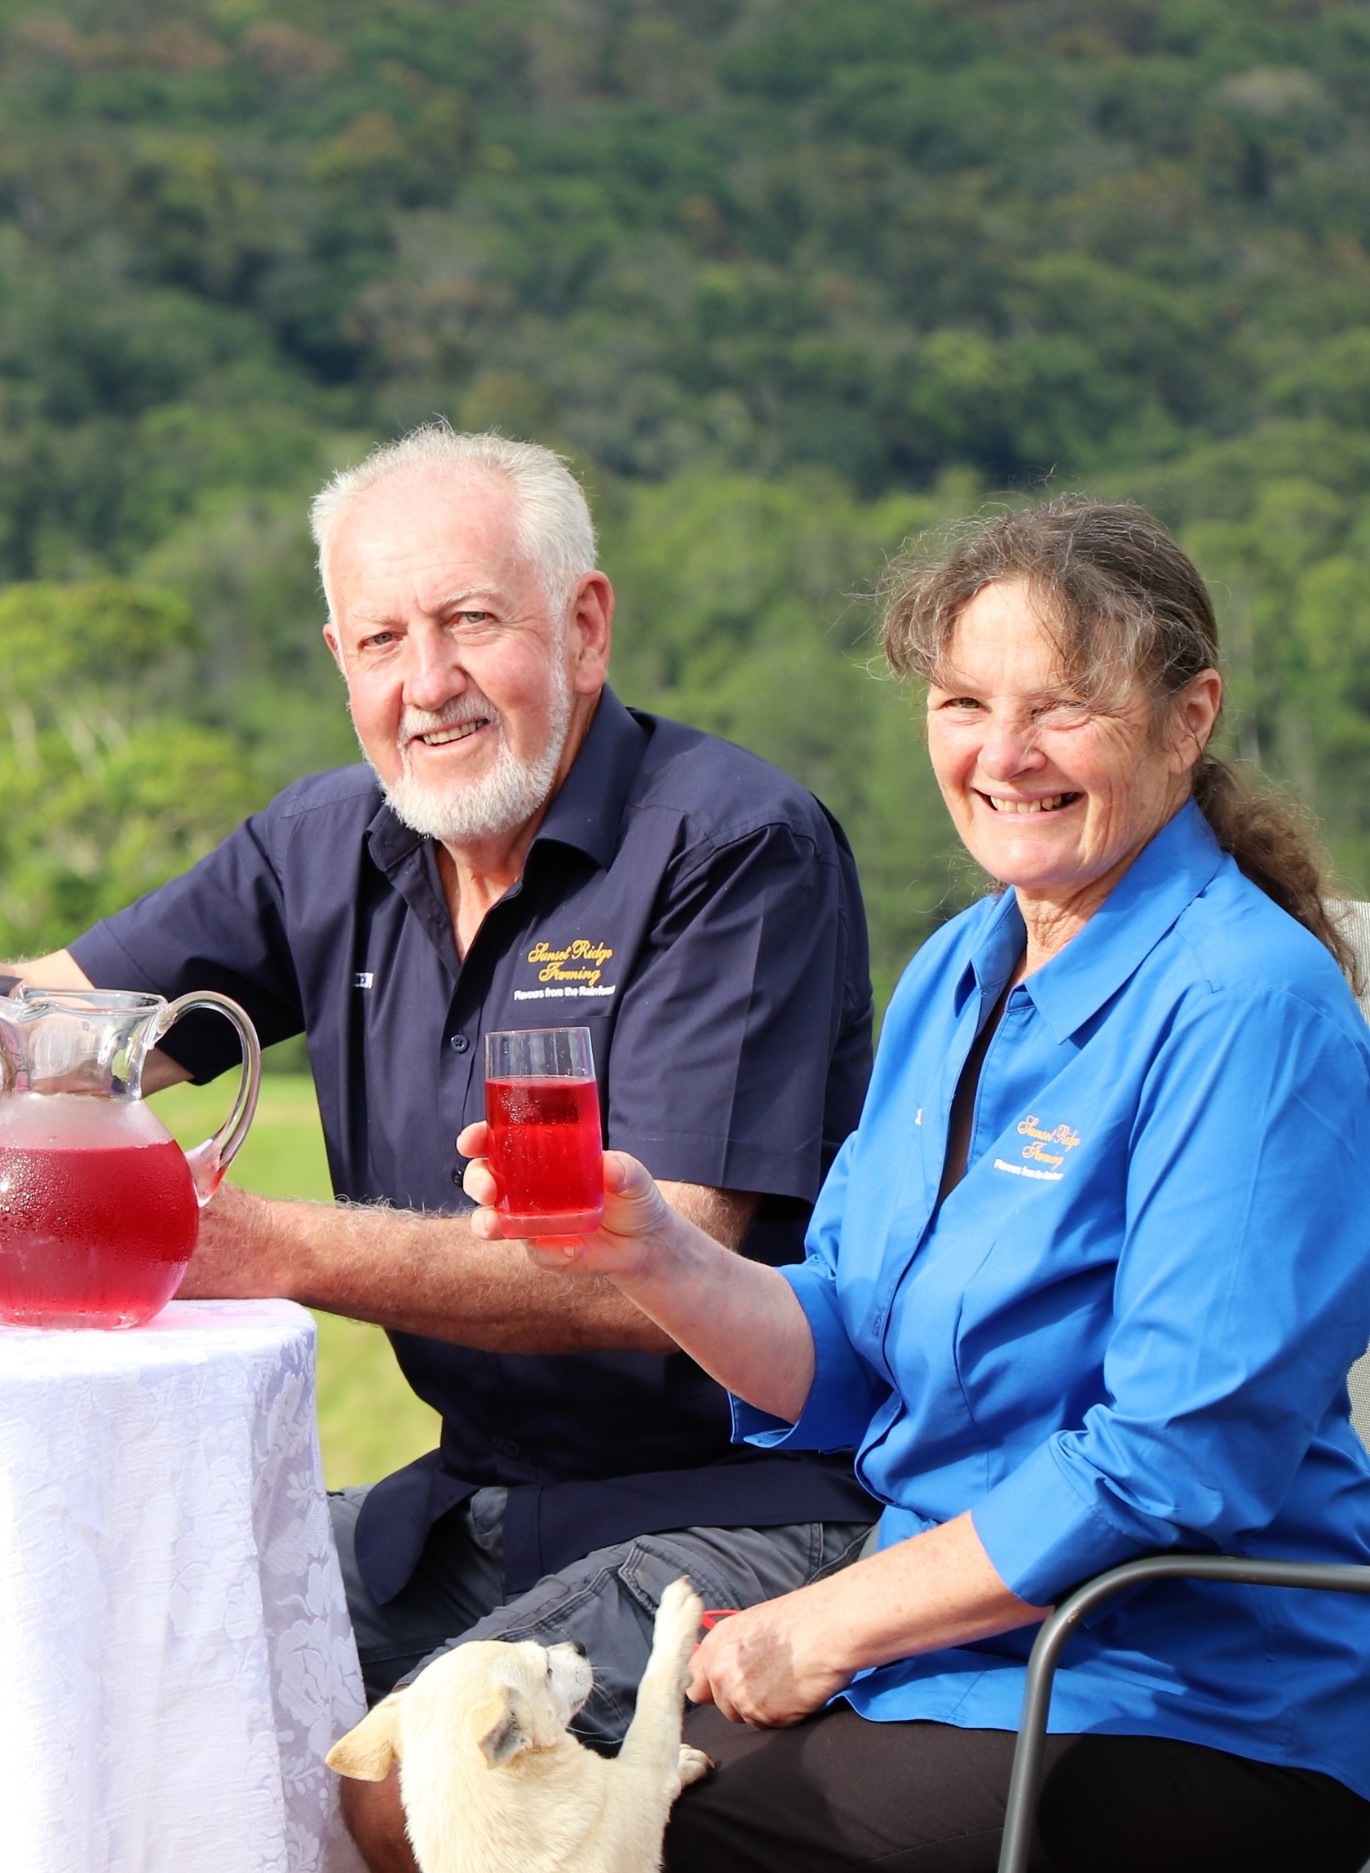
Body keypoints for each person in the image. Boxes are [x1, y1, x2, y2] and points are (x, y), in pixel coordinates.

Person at [0, 425, 880, 1869]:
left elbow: (665, 1262)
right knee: (96, 1649)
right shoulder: (331, 841)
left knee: (408, 1788)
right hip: (471, 1504)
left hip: (728, 1515)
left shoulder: (732, 846)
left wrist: (263, 1246)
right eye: (384, 637)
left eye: (472, 622)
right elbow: (46, 1027)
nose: (428, 682)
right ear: (338, 655)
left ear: (584, 626)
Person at [486, 498, 1370, 1873]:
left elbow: (1177, 1459)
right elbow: (851, 1347)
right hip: (941, 1664)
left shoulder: (1247, 1004)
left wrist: (833, 1622)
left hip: (1181, 1698)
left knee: (613, 1840)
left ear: (1190, 719)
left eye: (1063, 709)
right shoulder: (961, 967)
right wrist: (656, 1254)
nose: (1003, 755)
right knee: (501, 1797)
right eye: (964, 702)